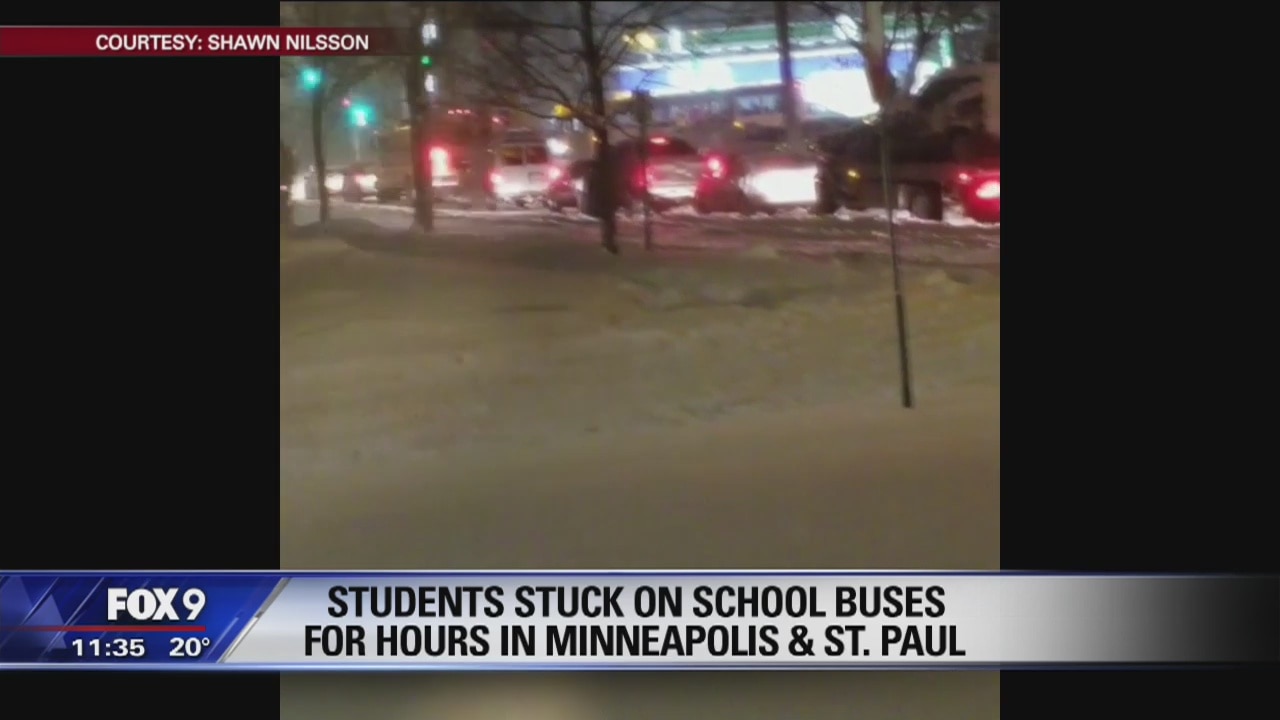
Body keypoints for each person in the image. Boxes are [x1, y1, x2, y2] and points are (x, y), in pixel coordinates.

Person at [280, 139, 295, 227]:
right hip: (285, 182)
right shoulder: (287, 153)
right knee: (284, 199)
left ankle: (285, 220)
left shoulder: (285, 155)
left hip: (283, 182)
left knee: (284, 200)